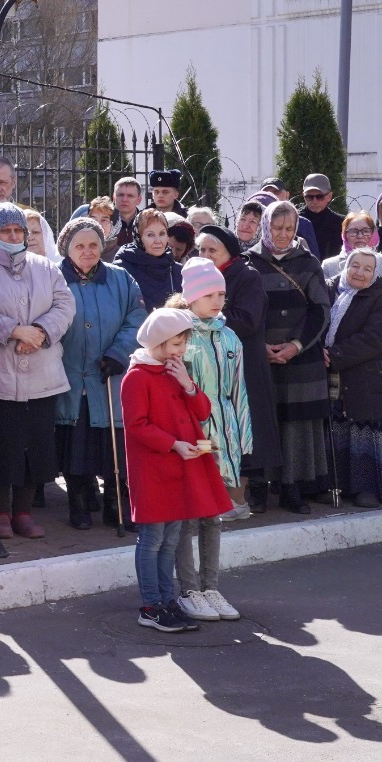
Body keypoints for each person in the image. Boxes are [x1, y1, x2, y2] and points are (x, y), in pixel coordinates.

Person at [0, 203, 74, 540]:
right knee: (0, 447)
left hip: (41, 373)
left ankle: (23, 512)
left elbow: (65, 305)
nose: (13, 236)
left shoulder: (46, 267)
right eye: (6, 231)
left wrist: (38, 331)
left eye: (18, 230)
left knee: (33, 447)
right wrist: (13, 331)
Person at [122, 308, 233, 633]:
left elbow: (201, 411)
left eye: (183, 345)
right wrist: (173, 443)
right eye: (175, 345)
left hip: (180, 467)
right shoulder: (137, 377)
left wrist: (187, 384)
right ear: (157, 343)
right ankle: (151, 605)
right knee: (152, 538)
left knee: (170, 539)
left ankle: (168, 601)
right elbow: (137, 425)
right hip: (155, 470)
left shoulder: (175, 372)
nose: (181, 352)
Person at [172, 258, 252, 623]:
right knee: (189, 514)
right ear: (191, 297)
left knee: (213, 516)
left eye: (221, 293)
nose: (217, 300)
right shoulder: (181, 337)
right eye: (208, 294)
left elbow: (239, 393)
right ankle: (188, 589)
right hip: (193, 437)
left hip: (222, 437)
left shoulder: (230, 336)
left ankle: (211, 587)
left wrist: (240, 440)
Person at [54, 218, 144, 531]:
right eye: (80, 245)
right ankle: (78, 504)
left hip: (110, 377)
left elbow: (136, 318)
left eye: (93, 244)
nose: (88, 251)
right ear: (67, 248)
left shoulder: (121, 279)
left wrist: (119, 353)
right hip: (71, 379)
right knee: (76, 447)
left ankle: (115, 504)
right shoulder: (54, 278)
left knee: (113, 448)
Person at [248, 200, 332, 514]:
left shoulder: (309, 263)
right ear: (265, 226)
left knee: (295, 425)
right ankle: (258, 488)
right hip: (261, 358)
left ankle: (291, 487)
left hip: (301, 358)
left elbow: (320, 310)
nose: (282, 234)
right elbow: (242, 310)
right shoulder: (249, 261)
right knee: (262, 420)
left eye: (289, 228)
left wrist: (296, 345)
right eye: (276, 227)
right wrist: (259, 347)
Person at [196, 225, 282, 514]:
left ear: (228, 253)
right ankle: (218, 497)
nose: (206, 255)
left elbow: (247, 320)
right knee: (216, 430)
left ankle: (238, 500)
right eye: (201, 250)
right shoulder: (198, 278)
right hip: (213, 369)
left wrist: (203, 316)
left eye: (212, 250)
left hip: (243, 368)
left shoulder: (246, 277)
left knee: (241, 430)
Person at [328, 249, 382, 508]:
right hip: (331, 376)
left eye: (367, 268)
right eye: (355, 266)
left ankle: (366, 489)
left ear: (375, 273)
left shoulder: (378, 295)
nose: (360, 272)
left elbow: (375, 337)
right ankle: (340, 485)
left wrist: (335, 354)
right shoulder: (330, 290)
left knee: (363, 432)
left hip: (365, 376)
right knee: (337, 428)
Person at [113, 209, 182, 312]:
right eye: (150, 235)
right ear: (139, 237)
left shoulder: (179, 272)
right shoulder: (121, 270)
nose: (158, 241)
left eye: (162, 234)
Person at [300, 174, 344, 260]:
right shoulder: (294, 221)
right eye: (309, 197)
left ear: (329, 196)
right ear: (304, 196)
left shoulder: (341, 223)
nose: (314, 201)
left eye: (319, 196)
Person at [324, 211, 378, 280]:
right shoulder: (329, 266)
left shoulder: (380, 262)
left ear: (373, 235)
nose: (360, 236)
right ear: (344, 235)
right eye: (353, 231)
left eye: (366, 231)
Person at [102, 177, 144, 258]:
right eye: (120, 195)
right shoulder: (104, 222)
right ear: (114, 198)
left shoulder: (146, 222)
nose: (125, 199)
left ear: (139, 200)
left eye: (130, 196)